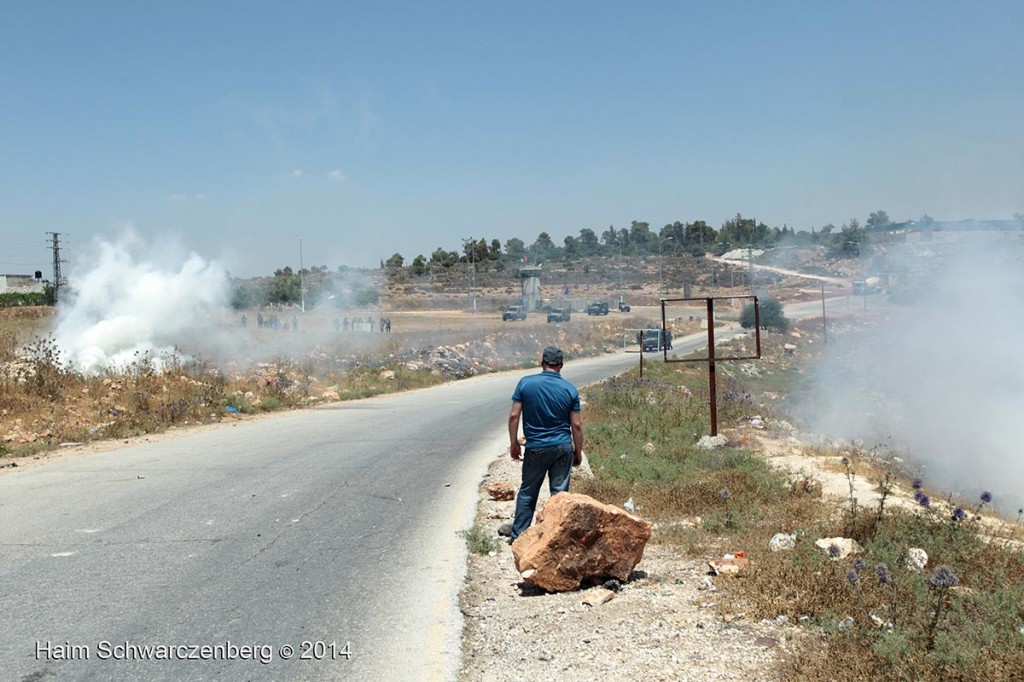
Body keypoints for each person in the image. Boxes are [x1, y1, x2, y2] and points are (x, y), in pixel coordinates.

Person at [500, 346, 583, 542]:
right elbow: (577, 425)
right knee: (560, 495)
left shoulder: (525, 384)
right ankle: (557, 538)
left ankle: (519, 535)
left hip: (535, 447)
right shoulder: (570, 389)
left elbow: (514, 415)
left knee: (528, 491)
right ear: (561, 365)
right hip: (562, 448)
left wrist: (514, 443)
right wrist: (578, 451)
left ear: (542, 362)